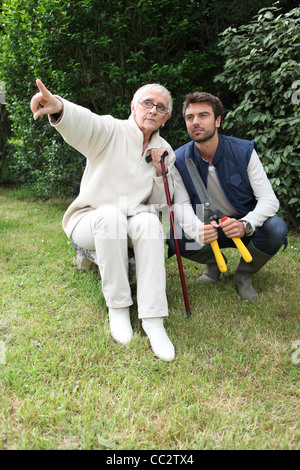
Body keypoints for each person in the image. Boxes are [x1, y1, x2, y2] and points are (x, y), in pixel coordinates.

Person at [30, 79, 176, 361]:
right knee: (110, 216)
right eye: (147, 103)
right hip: (90, 218)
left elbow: (159, 204)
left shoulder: (164, 150)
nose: (153, 110)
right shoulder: (111, 129)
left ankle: (153, 320)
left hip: (133, 218)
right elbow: (85, 124)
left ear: (166, 118)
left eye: (161, 108)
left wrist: (160, 171)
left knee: (149, 223)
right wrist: (59, 107)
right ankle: (119, 308)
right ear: (133, 107)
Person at [168, 91, 288, 301]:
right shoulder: (177, 159)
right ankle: (214, 265)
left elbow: (269, 200)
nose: (195, 122)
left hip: (242, 224)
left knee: (276, 228)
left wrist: (245, 223)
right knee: (175, 236)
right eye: (190, 117)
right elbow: (181, 205)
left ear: (218, 121)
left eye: (203, 115)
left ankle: (243, 275)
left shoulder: (243, 151)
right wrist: (197, 230)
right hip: (207, 226)